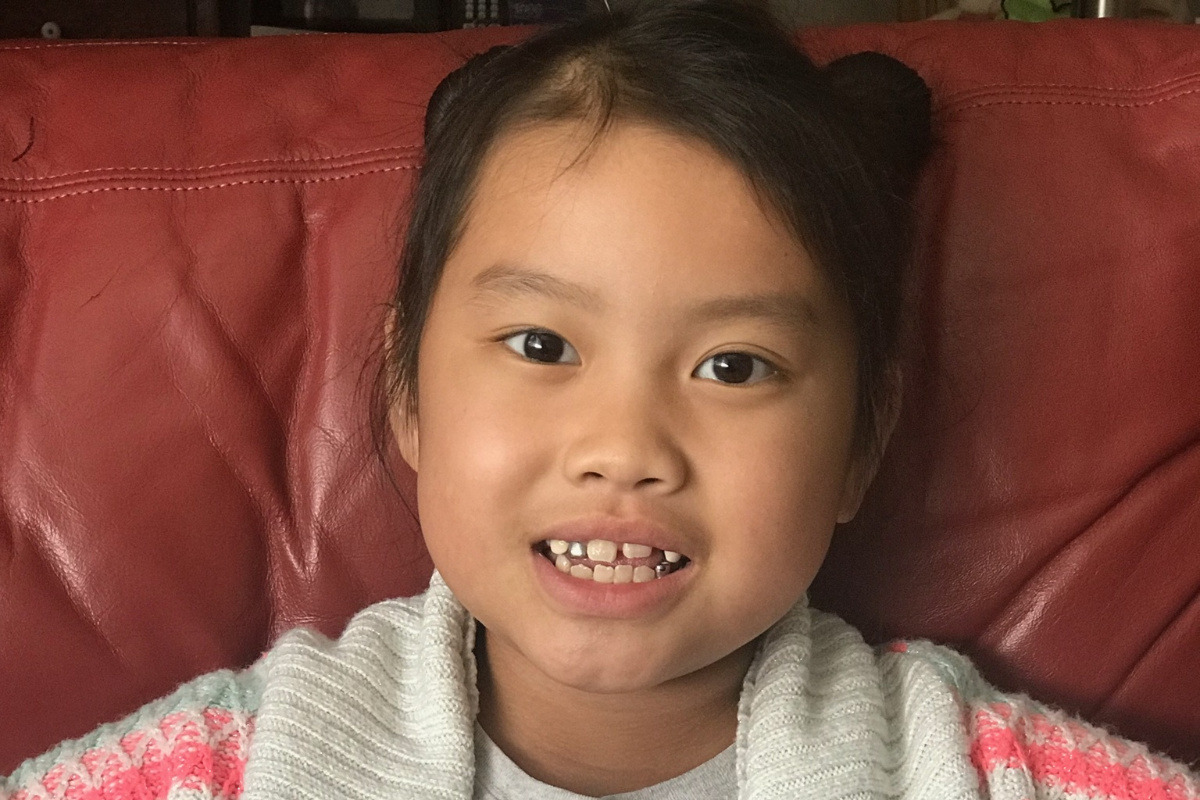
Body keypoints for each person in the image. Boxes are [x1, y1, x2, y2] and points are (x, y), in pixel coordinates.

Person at [4, 2, 1198, 799]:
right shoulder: (215, 770)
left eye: (734, 365)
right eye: (542, 344)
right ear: (408, 387)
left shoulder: (985, 772)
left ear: (860, 439)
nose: (624, 448)